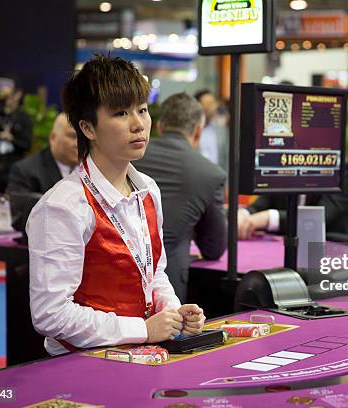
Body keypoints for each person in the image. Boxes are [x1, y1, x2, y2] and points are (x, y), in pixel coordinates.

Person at [27, 54, 205, 356]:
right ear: (88, 128)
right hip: (82, 363)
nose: (138, 125)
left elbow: (153, 272)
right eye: (121, 113)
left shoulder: (148, 189)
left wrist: (173, 312)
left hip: (144, 354)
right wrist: (142, 329)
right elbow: (50, 314)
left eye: (143, 110)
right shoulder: (63, 206)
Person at [135, 93, 227, 301]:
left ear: (159, 127)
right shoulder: (210, 174)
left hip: (116, 276)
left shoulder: (128, 158)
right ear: (198, 132)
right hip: (169, 286)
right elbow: (213, 248)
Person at [238, 163, 348, 239]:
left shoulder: (344, 173)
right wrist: (243, 214)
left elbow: (317, 219)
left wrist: (268, 217)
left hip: (337, 255)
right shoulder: (285, 170)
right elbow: (260, 204)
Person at [6, 113, 78, 232]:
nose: (79, 143)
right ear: (53, 138)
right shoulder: (25, 171)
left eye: (84, 138)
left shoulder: (93, 169)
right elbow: (18, 217)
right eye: (72, 136)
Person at [0, 77, 33, 198]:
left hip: (14, 170)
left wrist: (11, 139)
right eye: (3, 95)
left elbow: (27, 145)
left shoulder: (24, 118)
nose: (6, 97)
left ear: (18, 94)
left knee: (14, 208)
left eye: (10, 94)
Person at [194, 89, 228, 170]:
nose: (212, 108)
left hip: (219, 179)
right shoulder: (191, 131)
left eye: (213, 103)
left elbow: (227, 159)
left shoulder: (222, 131)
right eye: (207, 104)